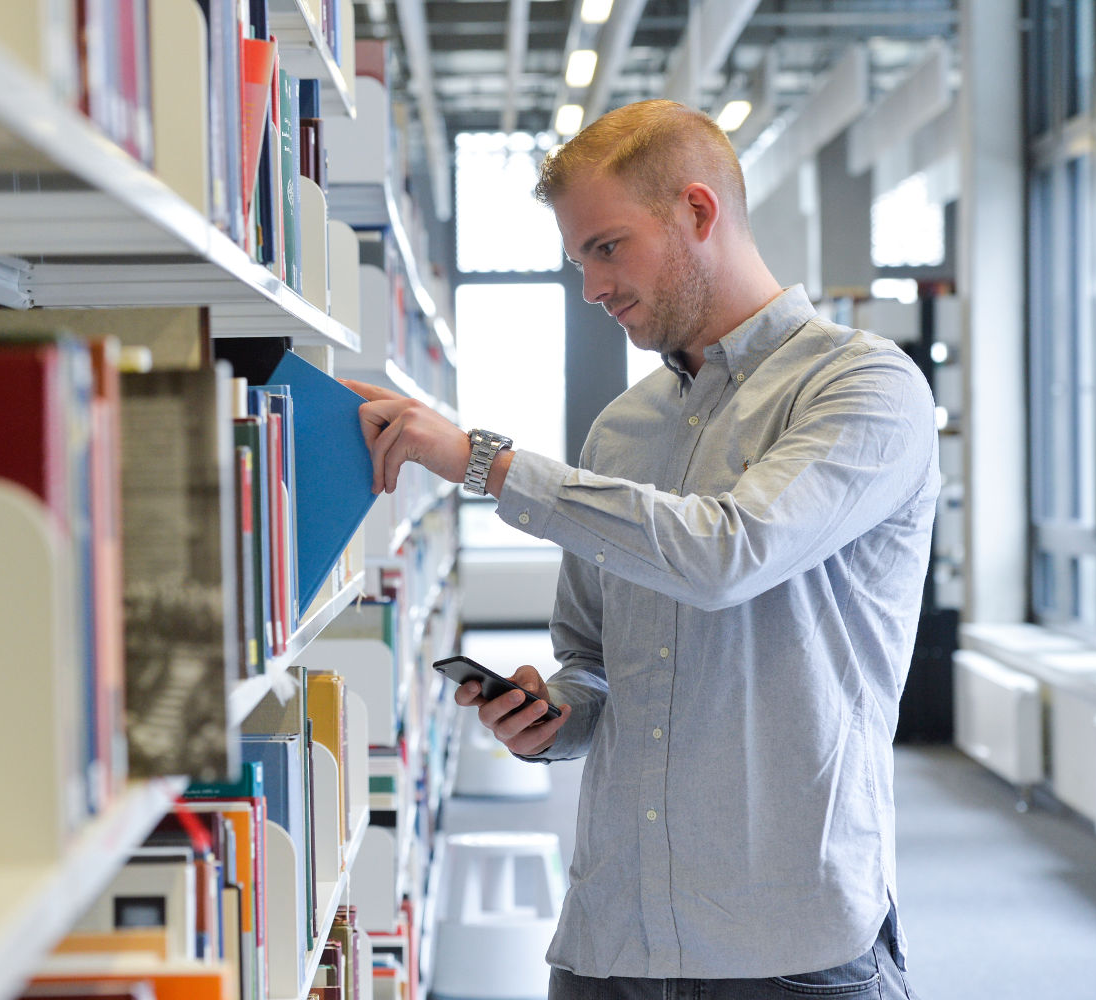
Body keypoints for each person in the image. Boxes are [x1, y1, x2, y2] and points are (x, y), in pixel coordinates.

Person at [343, 99, 936, 1000]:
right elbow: (591, 657)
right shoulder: (623, 427)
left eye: (607, 247)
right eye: (578, 258)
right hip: (611, 941)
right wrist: (552, 718)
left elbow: (725, 555)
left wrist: (481, 462)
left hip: (785, 949)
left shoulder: (863, 387)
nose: (591, 286)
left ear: (698, 212)